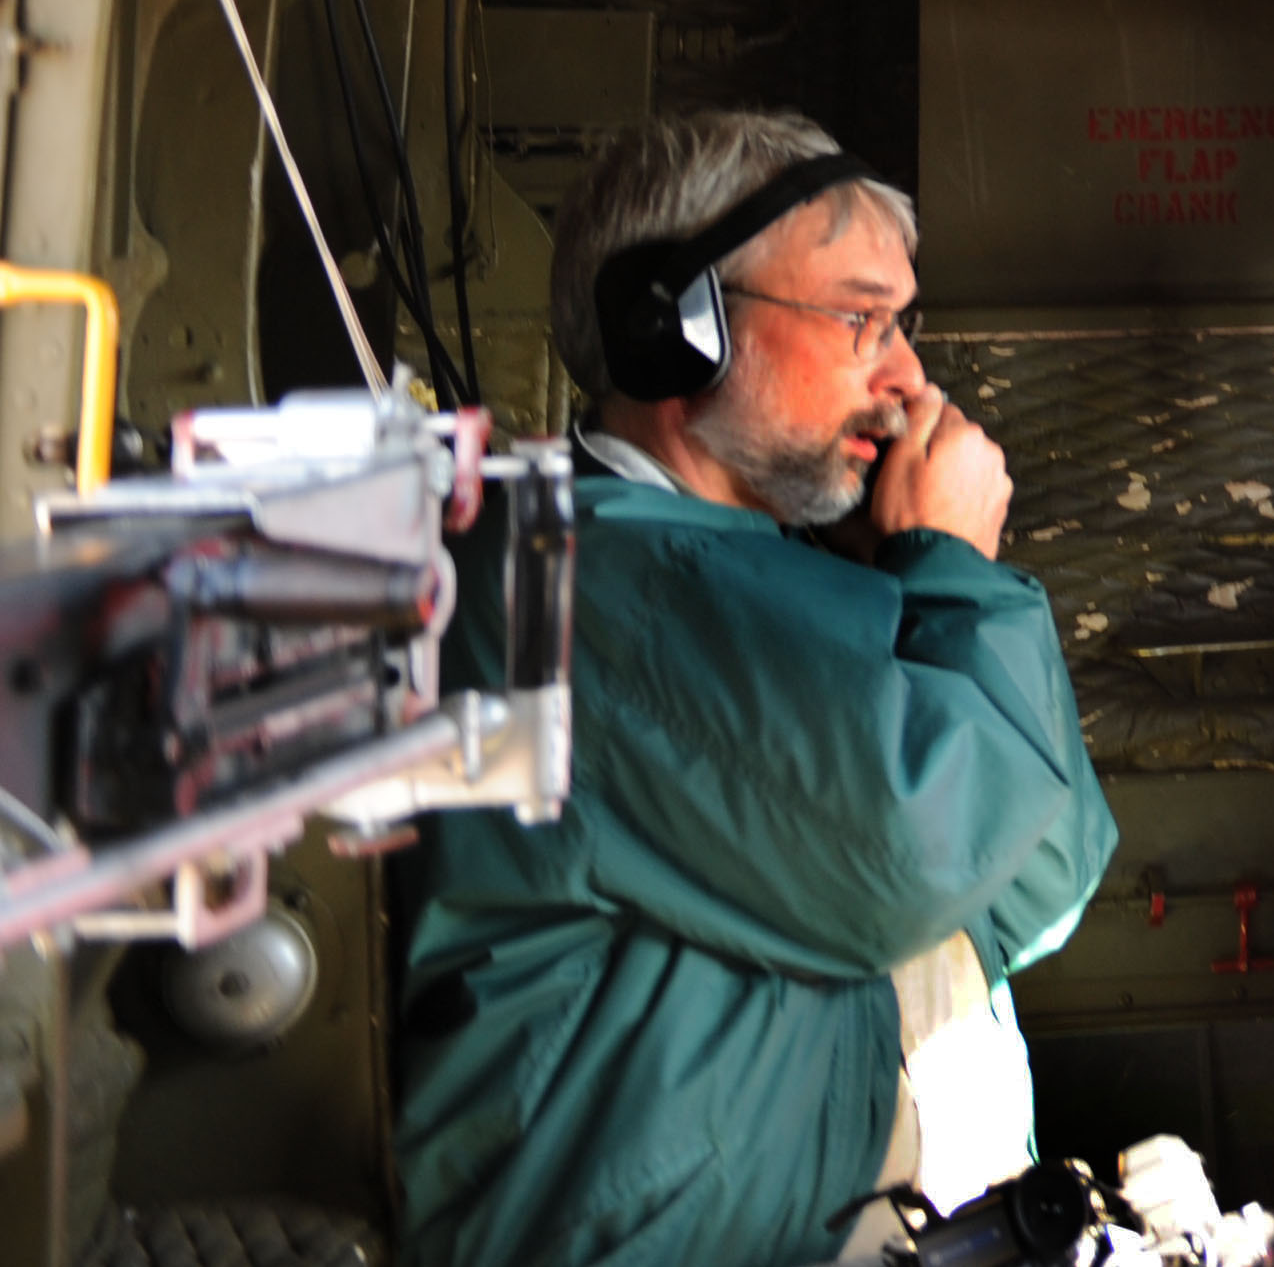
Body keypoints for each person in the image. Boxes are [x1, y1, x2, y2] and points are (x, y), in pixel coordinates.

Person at [396, 110, 1118, 1267]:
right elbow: (923, 854)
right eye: (858, 318)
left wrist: (931, 582)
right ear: (671, 330)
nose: (908, 375)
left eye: (902, 324)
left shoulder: (772, 578)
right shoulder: (581, 583)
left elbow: (1041, 875)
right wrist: (956, 578)